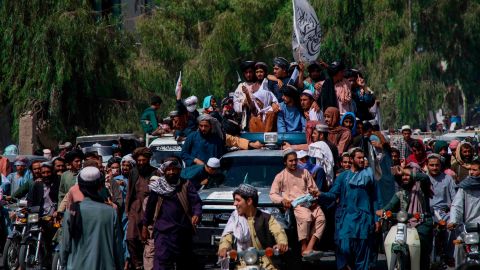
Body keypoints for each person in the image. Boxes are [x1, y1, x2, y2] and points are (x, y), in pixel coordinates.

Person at [318, 148, 380, 270]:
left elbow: (376, 199)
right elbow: (333, 195)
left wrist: (377, 219)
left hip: (364, 220)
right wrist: (320, 194)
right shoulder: (343, 177)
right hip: (346, 220)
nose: (362, 160)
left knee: (362, 254)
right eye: (359, 158)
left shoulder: (369, 176)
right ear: (351, 159)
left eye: (363, 157)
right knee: (344, 249)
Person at [142, 158, 202, 270]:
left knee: (184, 263)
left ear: (179, 170)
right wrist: (145, 226)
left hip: (182, 232)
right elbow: (150, 207)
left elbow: (196, 202)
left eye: (174, 169)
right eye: (168, 170)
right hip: (163, 233)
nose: (171, 172)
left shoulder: (186, 184)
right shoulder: (157, 186)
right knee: (161, 264)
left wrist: (197, 214)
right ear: (164, 171)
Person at [60, 166, 123, 270]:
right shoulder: (111, 212)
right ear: (100, 186)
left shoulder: (72, 211)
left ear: (79, 186)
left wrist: (63, 265)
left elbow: (65, 245)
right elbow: (118, 247)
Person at [376, 163, 434, 270]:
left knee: (421, 246)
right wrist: (382, 211)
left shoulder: (422, 189)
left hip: (422, 223)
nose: (404, 177)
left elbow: (425, 177)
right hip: (405, 223)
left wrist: (404, 170)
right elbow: (390, 206)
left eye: (407, 175)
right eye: (402, 175)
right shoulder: (400, 193)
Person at [218, 184, 288, 270]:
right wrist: (223, 248)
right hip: (241, 263)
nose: (235, 204)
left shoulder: (266, 218)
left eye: (238, 200)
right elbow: (227, 236)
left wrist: (281, 243)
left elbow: (279, 232)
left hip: (266, 263)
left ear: (249, 201)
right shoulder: (235, 218)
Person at [270, 150, 325, 257]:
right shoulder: (280, 176)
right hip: (296, 205)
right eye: (291, 161)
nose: (294, 163)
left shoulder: (304, 172)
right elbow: (273, 194)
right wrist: (282, 200)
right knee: (306, 217)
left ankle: (309, 247)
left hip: (309, 202)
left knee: (321, 218)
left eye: (295, 160)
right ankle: (303, 247)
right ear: (285, 162)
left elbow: (313, 188)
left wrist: (314, 196)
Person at [126, 147, 158, 270]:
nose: (141, 163)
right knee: (131, 237)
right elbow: (129, 192)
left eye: (143, 160)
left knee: (148, 239)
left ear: (149, 160)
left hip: (149, 208)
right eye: (138, 160)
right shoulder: (133, 172)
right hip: (135, 208)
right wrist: (127, 211)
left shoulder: (155, 172)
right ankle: (137, 264)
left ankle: (148, 264)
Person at [447, 159, 480, 267]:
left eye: (474, 170)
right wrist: (453, 221)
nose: (471, 172)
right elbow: (457, 206)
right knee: (459, 247)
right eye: (470, 169)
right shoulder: (464, 187)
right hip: (467, 228)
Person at [427, 154, 456, 263]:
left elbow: (455, 198)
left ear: (440, 166)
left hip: (444, 213)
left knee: (452, 227)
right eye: (432, 165)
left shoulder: (447, 179)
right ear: (427, 166)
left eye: (437, 165)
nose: (434, 167)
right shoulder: (423, 178)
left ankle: (449, 256)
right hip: (427, 213)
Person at [234, 60, 259, 130]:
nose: (248, 75)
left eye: (250, 72)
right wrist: (242, 104)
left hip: (259, 118)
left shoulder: (259, 85)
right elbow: (235, 105)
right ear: (244, 74)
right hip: (246, 119)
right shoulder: (240, 87)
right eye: (246, 72)